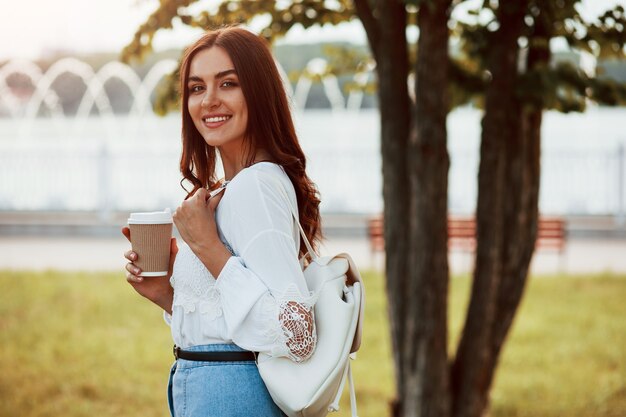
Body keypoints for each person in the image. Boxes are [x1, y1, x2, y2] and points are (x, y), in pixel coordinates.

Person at [121, 26, 322, 417]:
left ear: (259, 93)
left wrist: (207, 247)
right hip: (212, 387)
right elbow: (228, 322)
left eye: (227, 83)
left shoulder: (255, 186)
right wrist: (166, 293)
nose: (209, 101)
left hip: (233, 394)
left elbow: (297, 335)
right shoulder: (235, 188)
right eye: (196, 88)